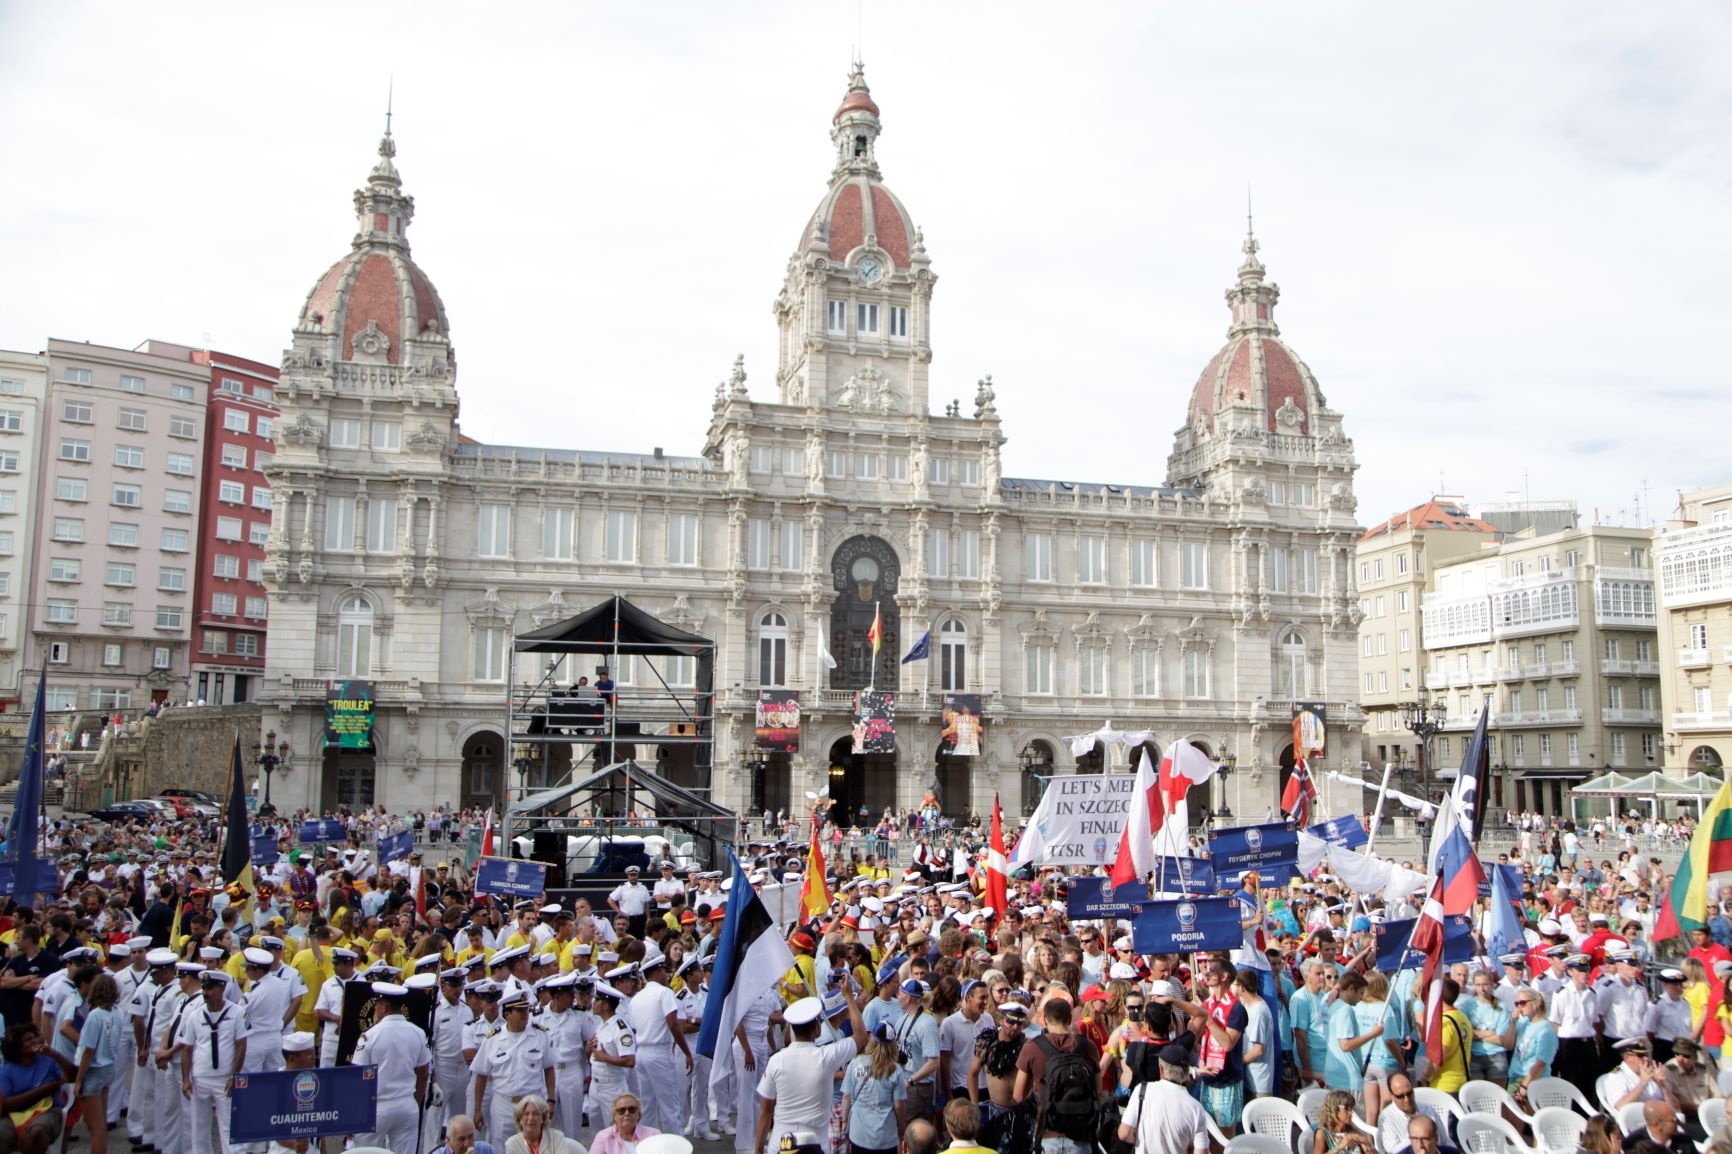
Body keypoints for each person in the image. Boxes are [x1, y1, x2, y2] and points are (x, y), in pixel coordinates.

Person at [754, 992, 868, 1154]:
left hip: (780, 1143)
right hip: (816, 1145)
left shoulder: (776, 1061)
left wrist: (758, 1149)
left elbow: (766, 1109)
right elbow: (861, 1037)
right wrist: (849, 997)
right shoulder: (826, 1057)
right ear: (816, 1029)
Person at [354, 981, 432, 1154]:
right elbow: (423, 1073)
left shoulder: (369, 1035)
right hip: (406, 1103)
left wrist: (356, 1114)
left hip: (376, 1107)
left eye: (377, 1006)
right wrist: (415, 1102)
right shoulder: (417, 1032)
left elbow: (359, 1077)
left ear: (384, 1007)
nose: (375, 1010)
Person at [1116, 1043, 1208, 1154]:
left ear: (1161, 1069)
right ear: (1186, 1072)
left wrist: (1141, 1140)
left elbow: (1124, 1134)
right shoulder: (1196, 1108)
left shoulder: (1142, 1090)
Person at [0, 1024, 72, 1154]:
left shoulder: (49, 1061)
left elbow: (72, 1077)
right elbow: (5, 1105)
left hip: (48, 1111)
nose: (35, 1041)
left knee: (36, 1133)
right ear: (17, 1047)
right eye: (28, 1040)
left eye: (34, 1037)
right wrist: (39, 1092)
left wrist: (55, 1054)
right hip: (16, 1114)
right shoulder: (6, 1071)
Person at [840, 1022, 910, 1154]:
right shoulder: (895, 1070)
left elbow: (846, 1096)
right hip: (885, 1136)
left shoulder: (855, 1063)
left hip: (859, 1134)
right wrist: (902, 1129)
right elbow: (899, 1105)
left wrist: (844, 1121)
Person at [72, 973, 121, 1154]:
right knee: (100, 1124)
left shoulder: (95, 1016)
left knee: (96, 1127)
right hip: (108, 1068)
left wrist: (78, 1080)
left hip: (93, 1071)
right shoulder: (118, 1012)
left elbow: (88, 1050)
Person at [1509, 988, 1558, 1105]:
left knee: (1531, 1118)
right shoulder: (1523, 1023)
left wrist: (1524, 1086)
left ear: (1536, 1004)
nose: (1519, 1007)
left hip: (1533, 1079)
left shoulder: (1546, 1030)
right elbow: (1508, 1044)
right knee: (1511, 1118)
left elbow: (1541, 1063)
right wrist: (1513, 1021)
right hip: (1515, 1075)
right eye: (1517, 1004)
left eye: (1523, 1003)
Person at [502, 1094, 578, 1154]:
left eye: (535, 1114)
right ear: (520, 1119)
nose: (531, 1118)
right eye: (526, 1114)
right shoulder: (512, 1143)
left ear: (543, 1118)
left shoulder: (557, 1137)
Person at [589, 1093, 659, 1154]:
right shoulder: (603, 1137)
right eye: (621, 1110)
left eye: (632, 1109)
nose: (627, 1113)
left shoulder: (653, 1135)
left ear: (638, 1114)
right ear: (614, 1116)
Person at [1313, 1089, 1376, 1154]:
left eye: (1351, 1108)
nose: (1351, 1112)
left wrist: (1367, 1143)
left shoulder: (1353, 1132)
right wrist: (1340, 1146)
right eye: (1346, 1108)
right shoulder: (1323, 1133)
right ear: (1334, 1109)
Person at [1620, 1100, 1694, 1154]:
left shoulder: (1684, 1140)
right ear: (1656, 1124)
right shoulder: (1633, 1143)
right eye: (1673, 1120)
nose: (1677, 1122)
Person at [431, 1114, 500, 1154]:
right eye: (461, 1139)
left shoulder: (486, 1149)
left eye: (470, 1137)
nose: (467, 1143)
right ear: (448, 1140)